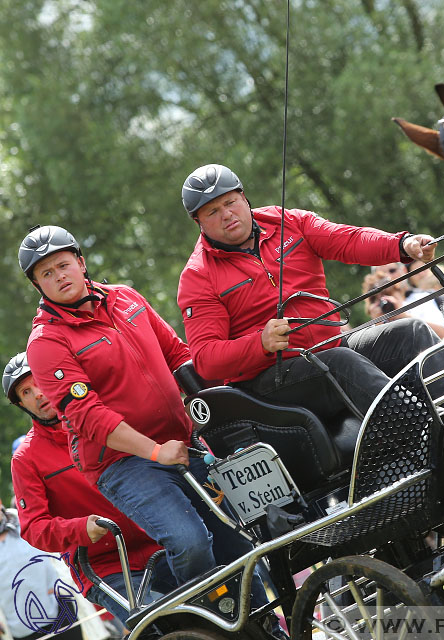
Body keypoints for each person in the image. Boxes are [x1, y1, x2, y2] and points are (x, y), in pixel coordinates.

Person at [18, 225, 274, 626]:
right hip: (122, 464)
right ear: (38, 285)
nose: (59, 276)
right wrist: (154, 451)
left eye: (64, 265)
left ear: (81, 263)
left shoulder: (126, 298)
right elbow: (88, 417)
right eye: (47, 274)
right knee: (189, 541)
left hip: (182, 442)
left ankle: (265, 628)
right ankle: (206, 625)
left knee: (234, 537)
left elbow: (178, 356)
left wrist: (219, 412)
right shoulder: (46, 343)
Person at [177, 164, 444, 422]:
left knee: (410, 332)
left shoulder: (288, 221)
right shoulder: (198, 276)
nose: (226, 214)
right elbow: (205, 358)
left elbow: (348, 239)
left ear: (244, 198)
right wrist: (259, 343)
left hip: (329, 347)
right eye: (212, 212)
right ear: (197, 222)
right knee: (340, 363)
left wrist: (402, 244)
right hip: (269, 381)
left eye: (230, 202)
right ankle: (428, 433)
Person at [5, 352, 174, 625]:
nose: (37, 394)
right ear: (21, 403)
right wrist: (80, 529)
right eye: (26, 391)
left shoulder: (103, 418)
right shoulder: (25, 459)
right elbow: (34, 528)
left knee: (219, 600)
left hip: (162, 540)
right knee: (158, 625)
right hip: (104, 565)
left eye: (39, 382)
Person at [0, 500, 83, 640]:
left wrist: (64, 583)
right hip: (19, 627)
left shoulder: (24, 522)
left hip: (60, 611)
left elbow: (57, 552)